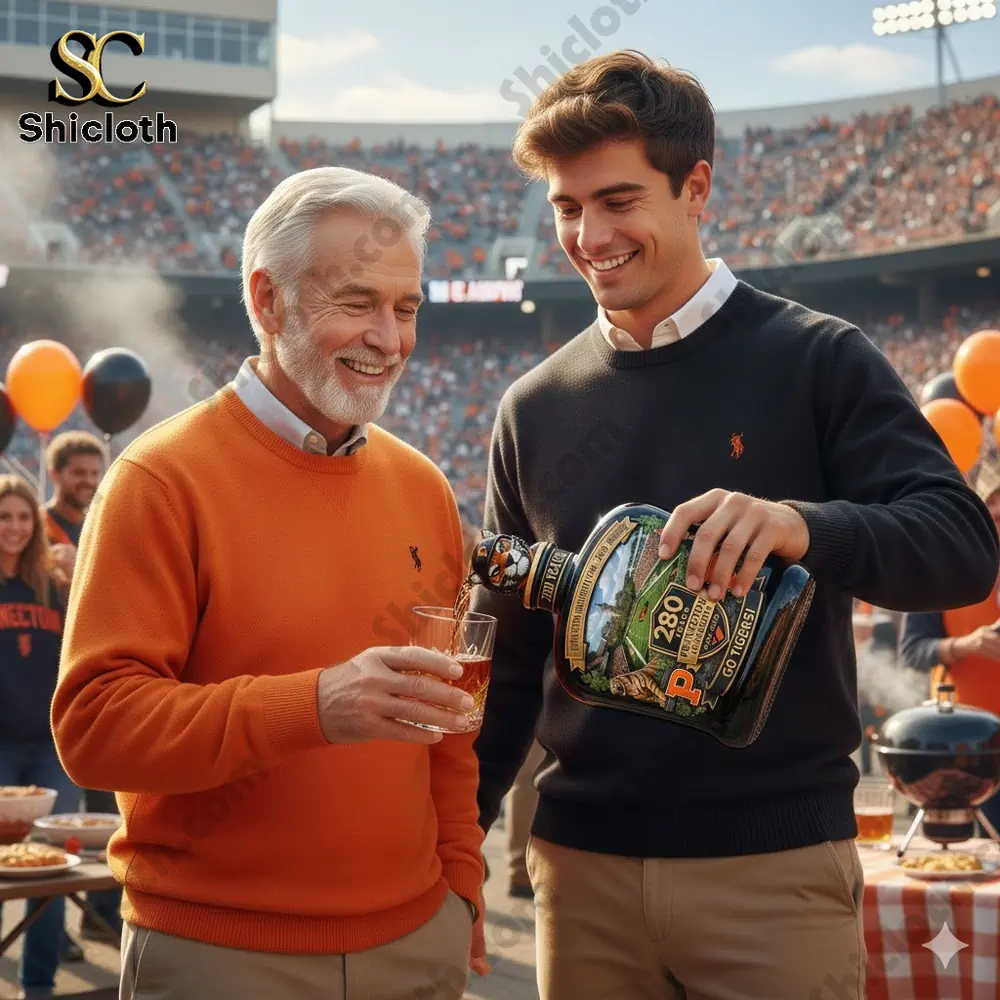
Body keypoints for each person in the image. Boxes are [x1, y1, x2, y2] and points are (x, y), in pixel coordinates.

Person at [470, 50, 1000, 1000]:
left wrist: (803, 525)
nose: (589, 234)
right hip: (580, 873)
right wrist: (449, 846)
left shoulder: (819, 358)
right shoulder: (531, 407)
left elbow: (960, 546)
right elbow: (507, 664)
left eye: (619, 200)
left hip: (775, 873)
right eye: (567, 207)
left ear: (696, 187)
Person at [52, 166, 486, 1000]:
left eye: (407, 308)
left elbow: (451, 729)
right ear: (269, 300)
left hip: (418, 942)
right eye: (357, 302)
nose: (390, 339)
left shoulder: (424, 485)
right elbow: (95, 727)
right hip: (224, 956)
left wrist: (460, 889)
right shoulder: (159, 478)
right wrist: (314, 706)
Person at [43, 431, 123, 946]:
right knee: (53, 824)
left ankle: (99, 912)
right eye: (79, 472)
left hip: (101, 684)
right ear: (56, 474)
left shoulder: (104, 519)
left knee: (104, 810)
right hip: (43, 689)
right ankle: (51, 930)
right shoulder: (35, 529)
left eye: (95, 472)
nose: (88, 481)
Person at [0, 474, 75, 1000]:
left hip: (51, 746)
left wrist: (78, 571)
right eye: (4, 516)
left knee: (51, 871)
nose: (15, 527)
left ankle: (40, 986)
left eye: (24, 517)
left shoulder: (53, 584)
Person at [899, 454, 1000, 831]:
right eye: (991, 505)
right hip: (964, 752)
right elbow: (913, 650)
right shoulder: (945, 570)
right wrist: (966, 645)